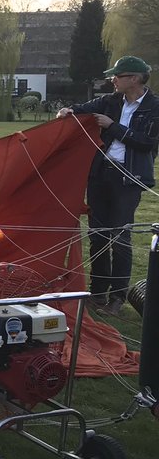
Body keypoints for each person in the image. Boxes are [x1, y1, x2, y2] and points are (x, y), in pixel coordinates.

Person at [57, 56, 159, 316]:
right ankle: (97, 292)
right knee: (97, 234)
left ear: (133, 79)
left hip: (129, 178)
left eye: (117, 75)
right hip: (100, 175)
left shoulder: (155, 107)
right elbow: (81, 109)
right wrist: (66, 111)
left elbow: (148, 142)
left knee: (120, 237)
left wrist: (113, 127)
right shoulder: (110, 100)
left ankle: (116, 298)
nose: (112, 79)